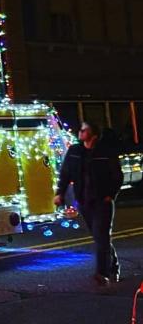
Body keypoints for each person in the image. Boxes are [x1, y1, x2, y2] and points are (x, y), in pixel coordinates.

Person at [55, 120, 123, 285]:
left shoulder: (105, 152)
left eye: (84, 130)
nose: (80, 132)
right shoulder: (74, 151)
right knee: (100, 237)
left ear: (93, 135)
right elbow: (65, 174)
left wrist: (110, 195)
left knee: (101, 236)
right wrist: (60, 193)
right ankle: (113, 265)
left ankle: (102, 274)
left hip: (102, 201)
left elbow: (117, 175)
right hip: (84, 201)